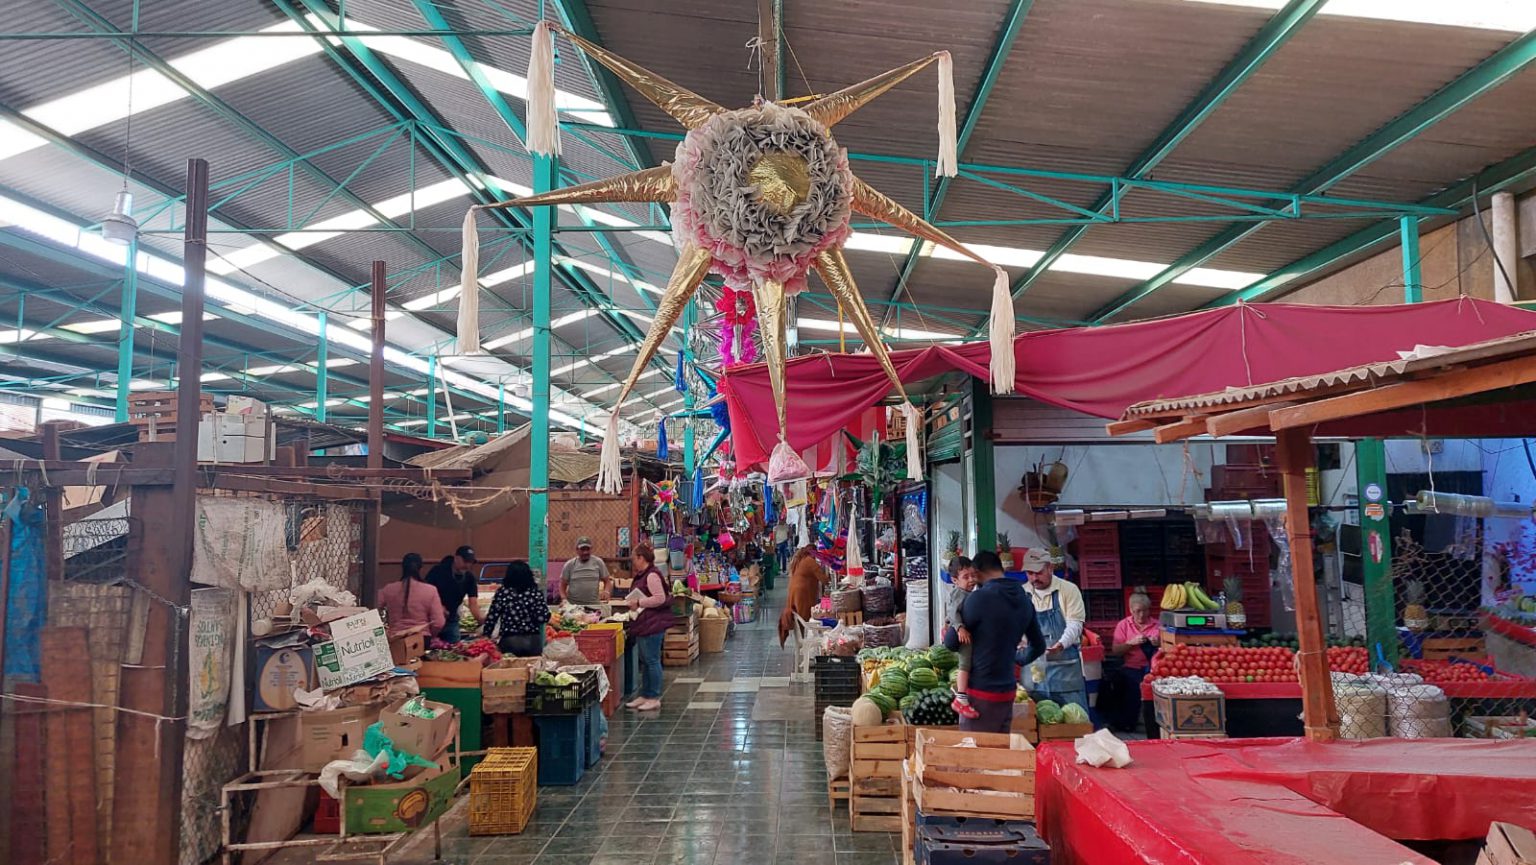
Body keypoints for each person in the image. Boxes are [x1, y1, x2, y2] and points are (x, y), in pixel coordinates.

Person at [943, 551, 1047, 734]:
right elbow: (1039, 645)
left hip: (980, 693)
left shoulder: (979, 599)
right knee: (1000, 755)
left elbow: (951, 643)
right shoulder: (1024, 600)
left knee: (977, 754)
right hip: (1008, 691)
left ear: (978, 571)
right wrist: (1015, 659)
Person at [1021, 547, 1089, 712]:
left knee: (1075, 726)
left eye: (1039, 572)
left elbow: (1075, 624)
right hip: (1034, 676)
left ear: (1050, 568)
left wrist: (1061, 644)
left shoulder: (1068, 590)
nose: (1034, 578)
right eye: (1030, 573)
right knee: (1037, 728)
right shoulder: (1022, 593)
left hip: (1065, 676)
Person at [624, 543, 672, 711]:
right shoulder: (643, 575)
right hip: (646, 623)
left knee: (652, 660)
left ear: (641, 558)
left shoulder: (651, 576)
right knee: (646, 660)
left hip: (653, 624)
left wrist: (639, 602)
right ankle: (645, 694)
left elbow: (660, 598)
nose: (632, 562)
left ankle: (654, 696)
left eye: (634, 558)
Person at [1108, 591, 1159, 732]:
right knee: (1129, 684)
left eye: (1145, 611)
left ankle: (1152, 723)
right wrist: (1130, 643)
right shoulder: (1123, 625)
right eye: (1138, 611)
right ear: (1131, 610)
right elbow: (1115, 651)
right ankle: (1127, 723)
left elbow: (1169, 649)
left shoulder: (1157, 625)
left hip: (1154, 669)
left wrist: (1159, 643)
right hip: (1131, 667)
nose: (1141, 615)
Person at [482, 560, 548, 656]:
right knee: (533, 668)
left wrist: (486, 636)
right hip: (533, 642)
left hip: (509, 641)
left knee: (511, 668)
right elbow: (543, 617)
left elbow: (492, 617)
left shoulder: (503, 592)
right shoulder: (535, 593)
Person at [942, 556, 979, 719]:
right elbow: (953, 612)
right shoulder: (959, 593)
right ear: (955, 580)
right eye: (966, 577)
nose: (971, 580)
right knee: (964, 665)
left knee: (969, 665)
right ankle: (961, 698)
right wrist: (959, 628)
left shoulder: (968, 592)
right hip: (964, 637)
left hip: (968, 634)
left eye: (973, 575)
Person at [378, 553, 447, 637]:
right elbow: (439, 623)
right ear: (420, 568)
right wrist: (431, 634)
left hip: (395, 638)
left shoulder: (389, 589)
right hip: (421, 639)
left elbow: (372, 606)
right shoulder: (430, 590)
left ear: (403, 567)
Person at [427, 545, 483, 643]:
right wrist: (439, 606)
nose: (467, 565)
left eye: (470, 562)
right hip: (432, 619)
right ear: (456, 558)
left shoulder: (470, 578)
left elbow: (473, 603)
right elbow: (426, 592)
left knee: (454, 647)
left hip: (451, 619)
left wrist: (481, 620)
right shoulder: (438, 571)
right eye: (465, 561)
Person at [561, 537, 611, 606]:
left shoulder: (598, 562)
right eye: (582, 549)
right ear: (577, 550)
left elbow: (607, 580)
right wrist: (564, 599)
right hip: (574, 606)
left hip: (593, 605)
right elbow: (562, 585)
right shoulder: (570, 564)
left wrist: (606, 591)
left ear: (591, 549)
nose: (585, 552)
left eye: (587, 549)